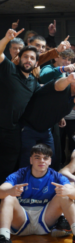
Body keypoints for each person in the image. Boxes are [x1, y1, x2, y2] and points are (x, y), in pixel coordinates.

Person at [0, 144, 75, 243]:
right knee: (8, 196)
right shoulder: (20, 174)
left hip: (45, 219)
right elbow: (1, 191)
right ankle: (4, 240)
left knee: (65, 194)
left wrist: (69, 191)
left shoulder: (56, 176)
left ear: (50, 161)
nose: (42, 161)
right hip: (21, 220)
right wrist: (9, 190)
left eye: (45, 158)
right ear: (31, 160)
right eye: (37, 157)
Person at [19, 68, 75, 168]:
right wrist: (68, 79)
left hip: (45, 130)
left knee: (51, 161)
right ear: (73, 77)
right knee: (27, 162)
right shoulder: (62, 85)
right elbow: (58, 85)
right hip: (29, 127)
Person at [0, 29, 39, 183]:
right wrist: (6, 38)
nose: (28, 60)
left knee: (9, 166)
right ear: (19, 58)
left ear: (36, 63)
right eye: (25, 57)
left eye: (32, 58)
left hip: (14, 131)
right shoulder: (9, 69)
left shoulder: (34, 82)